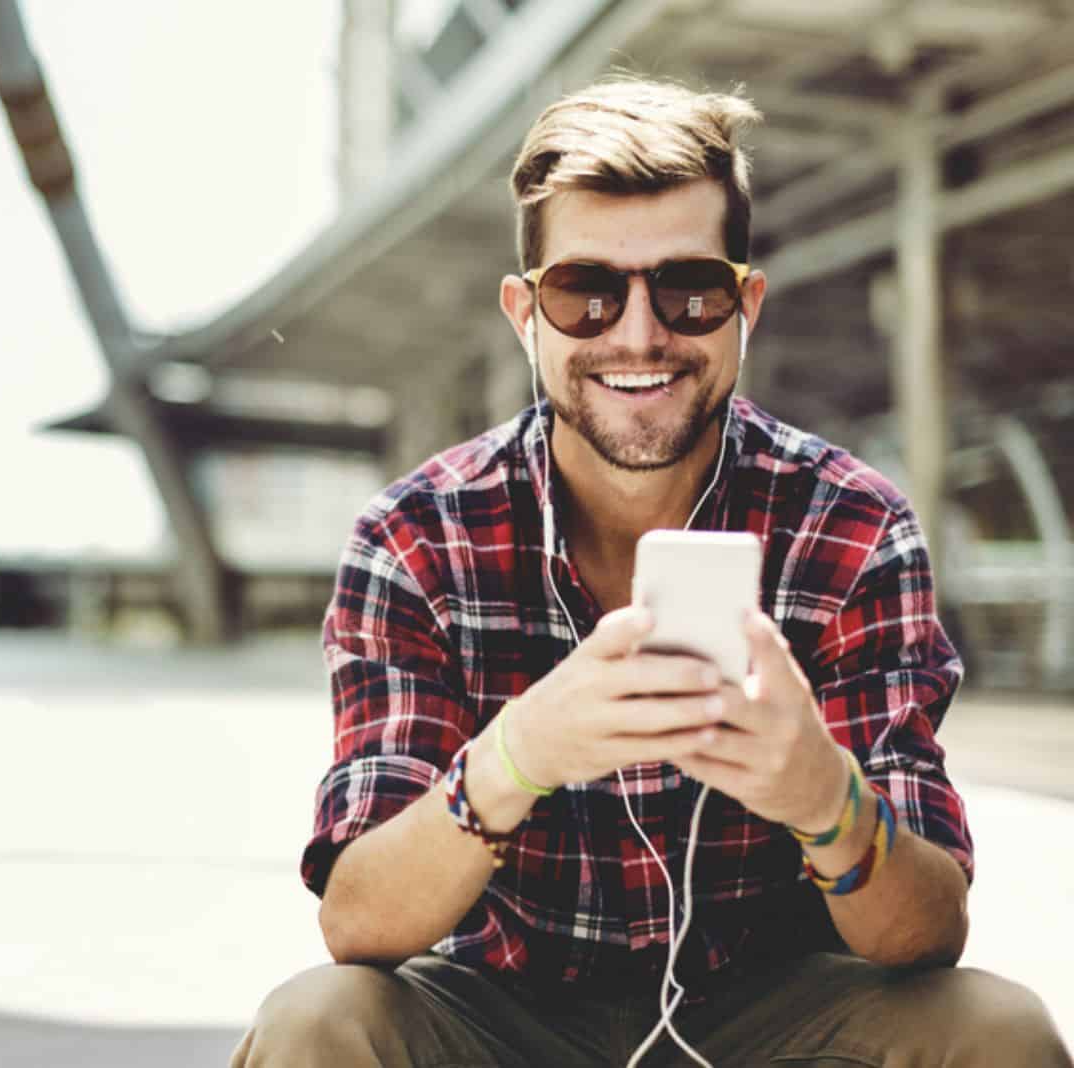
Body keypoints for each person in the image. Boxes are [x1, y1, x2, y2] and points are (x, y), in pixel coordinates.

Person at [231, 79, 1070, 1066]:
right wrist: (520, 753)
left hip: (777, 1013)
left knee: (996, 1033)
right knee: (317, 1024)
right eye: (584, 293)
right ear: (524, 313)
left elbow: (930, 935)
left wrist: (821, 796)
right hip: (503, 1012)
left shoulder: (851, 524)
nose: (637, 334)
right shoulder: (417, 538)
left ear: (744, 305)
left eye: (688, 290)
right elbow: (357, 923)